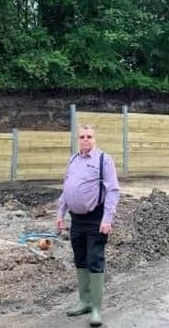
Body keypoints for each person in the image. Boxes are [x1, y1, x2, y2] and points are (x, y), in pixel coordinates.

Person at [56, 125, 120, 326]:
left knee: (94, 259)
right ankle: (83, 301)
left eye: (89, 136)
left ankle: (96, 309)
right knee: (80, 259)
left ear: (95, 138)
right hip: (76, 219)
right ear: (78, 139)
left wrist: (107, 219)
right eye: (82, 136)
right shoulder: (73, 159)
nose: (85, 140)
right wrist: (60, 213)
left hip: (96, 218)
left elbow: (113, 191)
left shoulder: (104, 160)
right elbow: (67, 188)